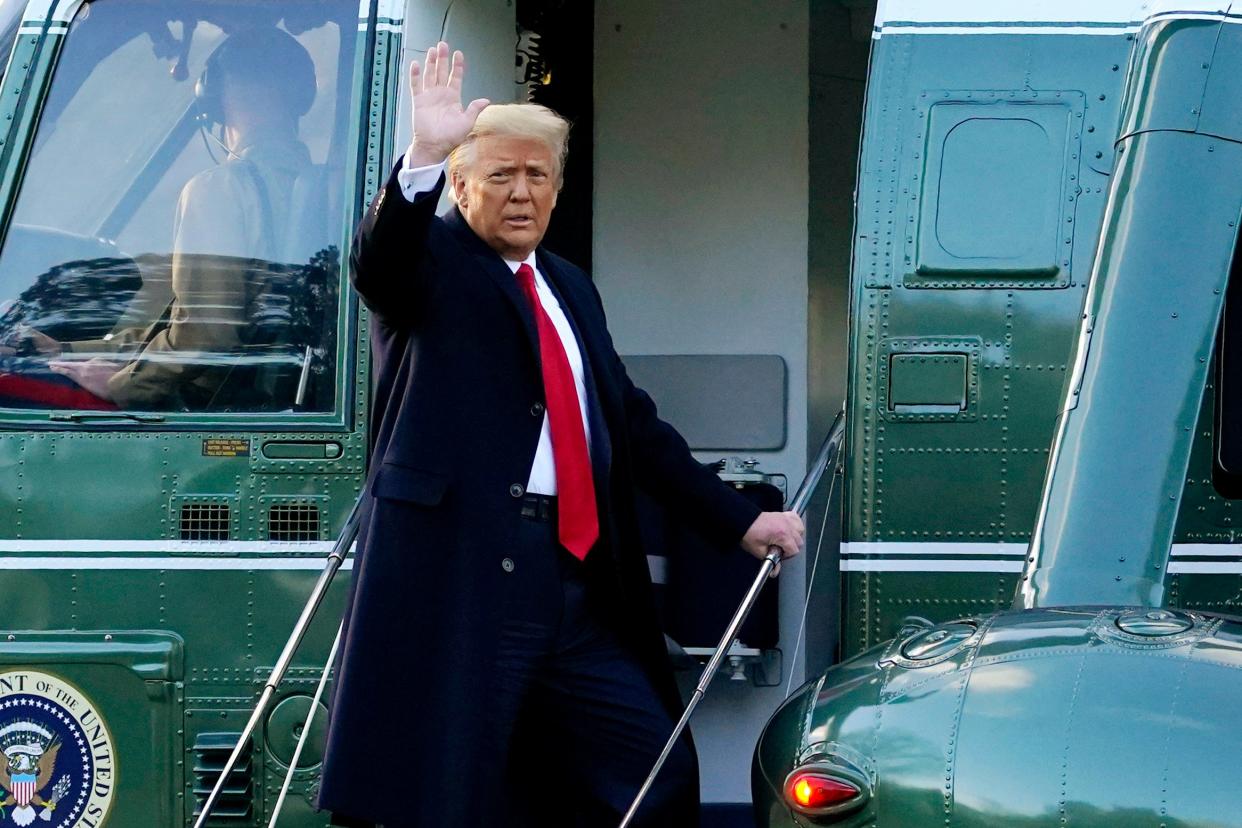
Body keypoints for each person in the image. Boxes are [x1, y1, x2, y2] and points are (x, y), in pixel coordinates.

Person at [318, 42, 806, 828]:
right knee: (452, 797)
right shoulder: (433, 261)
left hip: (575, 586)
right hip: (468, 578)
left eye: (536, 176)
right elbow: (380, 264)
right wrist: (425, 153)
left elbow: (633, 424)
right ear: (461, 186)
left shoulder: (569, 285)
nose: (520, 193)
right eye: (499, 176)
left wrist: (741, 520)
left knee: (656, 775)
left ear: (557, 188)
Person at [36, 27, 315, 410]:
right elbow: (191, 325)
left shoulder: (218, 189)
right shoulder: (323, 187)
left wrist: (124, 385)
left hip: (211, 406)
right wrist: (67, 349)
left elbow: (207, 333)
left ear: (216, 95)